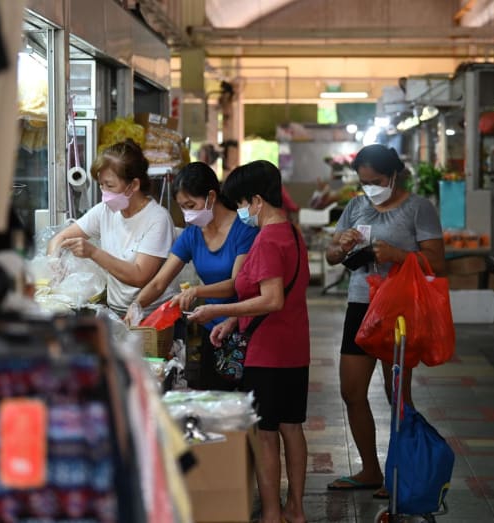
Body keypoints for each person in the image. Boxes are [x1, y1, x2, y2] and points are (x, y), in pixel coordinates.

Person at [187, 160, 310, 523]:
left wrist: (217, 311)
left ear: (256, 200)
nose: (241, 211)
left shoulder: (268, 240)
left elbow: (272, 298)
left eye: (242, 203)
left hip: (267, 353)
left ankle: (271, 514)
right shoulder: (292, 233)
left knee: (265, 435)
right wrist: (233, 322)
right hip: (295, 347)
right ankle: (295, 509)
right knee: (292, 428)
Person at [324, 144, 445, 495]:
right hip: (361, 305)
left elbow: (437, 263)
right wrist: (342, 247)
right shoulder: (356, 206)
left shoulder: (418, 208)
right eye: (363, 182)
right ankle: (370, 470)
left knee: (397, 395)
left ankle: (400, 472)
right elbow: (331, 256)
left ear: (394, 175)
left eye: (376, 181)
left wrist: (398, 255)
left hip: (399, 308)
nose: (370, 188)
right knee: (351, 391)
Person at [123, 161, 258, 390]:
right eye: (182, 208)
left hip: (243, 326)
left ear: (211, 196)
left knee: (248, 404)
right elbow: (159, 282)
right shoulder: (193, 235)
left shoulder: (244, 230)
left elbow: (235, 285)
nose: (187, 214)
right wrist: (136, 305)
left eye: (191, 205)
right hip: (212, 330)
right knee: (213, 402)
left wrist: (196, 291)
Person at [48, 139, 176, 317]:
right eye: (101, 185)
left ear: (134, 185)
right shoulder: (105, 211)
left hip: (153, 314)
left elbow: (140, 276)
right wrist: (55, 264)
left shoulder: (157, 219)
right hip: (117, 310)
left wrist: (93, 252)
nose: (104, 193)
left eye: (110, 186)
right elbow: (59, 239)